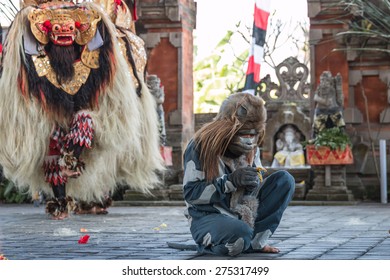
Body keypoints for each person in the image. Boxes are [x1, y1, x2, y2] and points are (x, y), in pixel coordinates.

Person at [0, 0, 164, 219]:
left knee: (97, 116)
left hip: (94, 39)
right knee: (49, 132)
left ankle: (92, 191)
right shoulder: (35, 30)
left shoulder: (105, 18)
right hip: (44, 48)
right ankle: (59, 199)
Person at [182, 92, 295, 256]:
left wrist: (252, 183)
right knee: (240, 233)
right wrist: (230, 182)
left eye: (253, 135)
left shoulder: (252, 148)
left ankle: (256, 242)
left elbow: (253, 191)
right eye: (244, 135)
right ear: (228, 129)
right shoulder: (201, 145)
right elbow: (191, 194)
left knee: (285, 180)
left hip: (243, 213)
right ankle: (219, 243)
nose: (250, 141)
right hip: (208, 216)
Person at [312, 71, 345, 137]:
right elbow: (315, 97)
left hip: (334, 111)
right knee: (317, 130)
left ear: (330, 81)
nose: (324, 82)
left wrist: (339, 87)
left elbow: (340, 101)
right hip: (321, 111)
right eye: (322, 80)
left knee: (339, 129)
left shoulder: (333, 89)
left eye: (326, 80)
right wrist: (324, 101)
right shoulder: (319, 88)